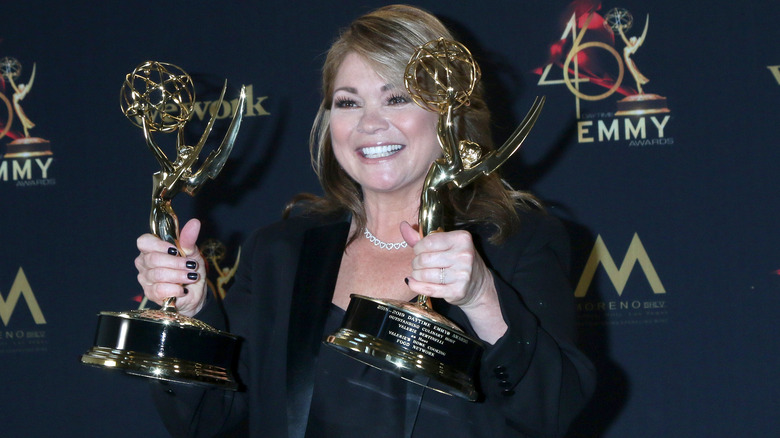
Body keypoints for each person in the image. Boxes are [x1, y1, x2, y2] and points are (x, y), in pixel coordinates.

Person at [135, 5, 595, 437]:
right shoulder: (279, 252)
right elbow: (210, 418)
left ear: (449, 112)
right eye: (348, 102)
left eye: (396, 98)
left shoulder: (513, 243)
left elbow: (552, 411)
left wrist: (482, 300)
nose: (370, 124)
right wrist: (188, 312)